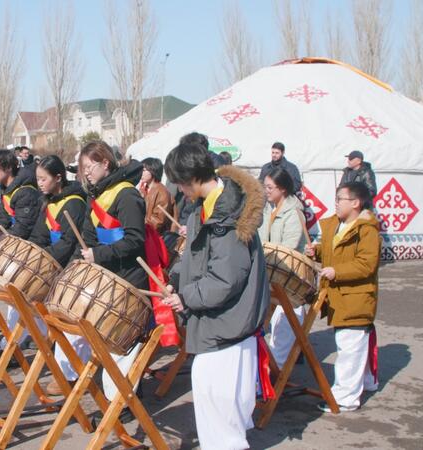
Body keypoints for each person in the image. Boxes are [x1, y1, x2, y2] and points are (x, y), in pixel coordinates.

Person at [160, 142, 268, 450]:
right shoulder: (205, 210)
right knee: (213, 409)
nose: (179, 190)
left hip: (228, 328)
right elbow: (193, 257)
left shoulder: (228, 216)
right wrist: (176, 279)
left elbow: (225, 280)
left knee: (223, 421)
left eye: (179, 182)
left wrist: (186, 297)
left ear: (191, 177)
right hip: (215, 324)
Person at [78, 140, 149, 402]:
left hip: (129, 277)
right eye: (83, 167)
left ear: (105, 163)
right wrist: (86, 253)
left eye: (89, 166)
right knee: (107, 342)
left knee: (121, 344)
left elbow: (134, 240)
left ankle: (125, 402)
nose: (85, 172)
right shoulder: (95, 195)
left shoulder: (127, 195)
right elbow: (88, 234)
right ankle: (119, 398)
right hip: (106, 275)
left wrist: (99, 254)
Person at [305, 181, 381, 412]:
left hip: (356, 297)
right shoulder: (335, 225)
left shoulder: (367, 230)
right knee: (352, 344)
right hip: (339, 296)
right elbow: (332, 251)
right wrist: (317, 251)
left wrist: (337, 271)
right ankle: (367, 381)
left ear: (356, 203)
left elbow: (366, 264)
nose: (336, 203)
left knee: (349, 348)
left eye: (340, 199)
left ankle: (345, 398)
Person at [28, 155, 89, 395]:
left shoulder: (73, 203)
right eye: (37, 179)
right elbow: (40, 235)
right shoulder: (50, 202)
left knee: (67, 320)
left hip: (71, 266)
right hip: (55, 263)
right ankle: (61, 365)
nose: (40, 184)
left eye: (43, 179)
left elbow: (68, 242)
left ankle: (71, 375)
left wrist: (45, 259)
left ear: (58, 177)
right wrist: (32, 252)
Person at [0, 149, 42, 350]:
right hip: (13, 249)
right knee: (18, 301)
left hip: (27, 251)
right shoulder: (7, 190)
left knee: (25, 300)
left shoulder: (25, 192)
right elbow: (2, 221)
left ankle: (19, 341)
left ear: (9, 168)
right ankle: (26, 337)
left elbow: (22, 228)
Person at [260, 168, 307, 367]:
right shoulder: (267, 209)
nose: (266, 191)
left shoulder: (295, 213)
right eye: (266, 186)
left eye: (270, 187)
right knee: (269, 326)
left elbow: (289, 247)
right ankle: (270, 370)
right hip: (271, 274)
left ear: (283, 189)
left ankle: (276, 373)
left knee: (283, 327)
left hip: (290, 278)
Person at [139, 157, 173, 234]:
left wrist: (138, 222)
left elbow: (159, 221)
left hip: (157, 237)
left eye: (144, 170)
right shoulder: (143, 189)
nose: (141, 173)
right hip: (145, 233)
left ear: (153, 171)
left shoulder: (162, 192)